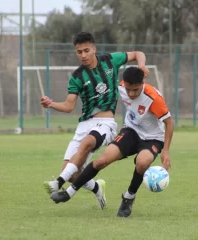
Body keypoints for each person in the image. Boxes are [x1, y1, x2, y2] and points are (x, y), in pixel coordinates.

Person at [41, 32, 149, 210]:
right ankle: (97, 187)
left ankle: (57, 182)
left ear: (94, 49)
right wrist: (51, 104)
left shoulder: (109, 61)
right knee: (73, 174)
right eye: (79, 52)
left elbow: (138, 53)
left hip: (106, 123)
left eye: (86, 50)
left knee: (89, 142)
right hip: (84, 124)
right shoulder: (77, 76)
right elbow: (69, 106)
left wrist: (141, 66)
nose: (83, 55)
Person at [50, 67, 174, 218]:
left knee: (142, 163)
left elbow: (169, 122)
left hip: (153, 138)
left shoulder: (153, 98)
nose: (131, 94)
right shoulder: (121, 86)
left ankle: (128, 198)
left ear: (143, 83)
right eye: (129, 90)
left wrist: (166, 151)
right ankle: (69, 192)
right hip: (131, 131)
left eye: (135, 90)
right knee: (102, 160)